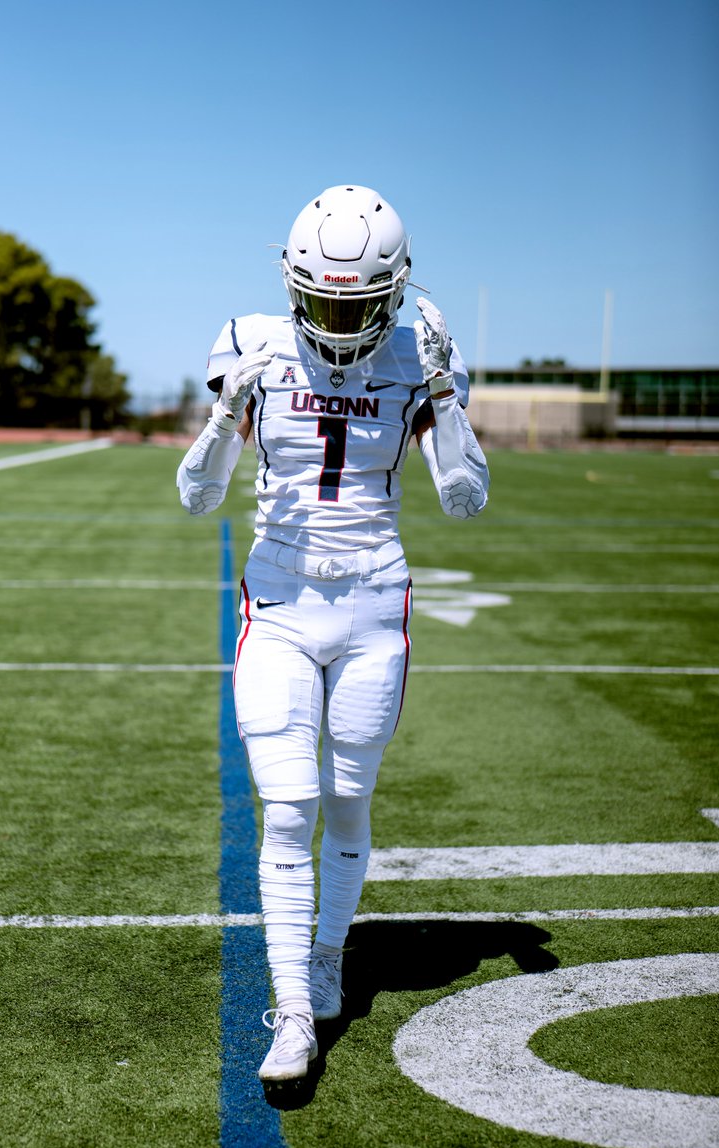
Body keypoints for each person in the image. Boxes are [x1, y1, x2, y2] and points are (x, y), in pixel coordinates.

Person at [177, 184, 489, 1084]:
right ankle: (291, 1012)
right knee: (286, 809)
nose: (337, 322)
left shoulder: (414, 354)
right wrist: (222, 417)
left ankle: (326, 960)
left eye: (355, 304)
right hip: (278, 604)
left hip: (371, 608)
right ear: (289, 284)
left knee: (347, 801)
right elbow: (198, 498)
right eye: (319, 300)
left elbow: (464, 501)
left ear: (392, 292)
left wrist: (439, 388)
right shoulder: (254, 345)